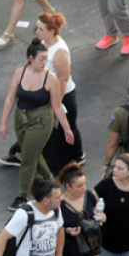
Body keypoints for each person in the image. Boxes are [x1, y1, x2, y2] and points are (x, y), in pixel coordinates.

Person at [0, 41, 74, 210]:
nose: (44, 62)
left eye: (46, 59)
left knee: (27, 159)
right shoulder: (20, 72)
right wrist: (3, 122)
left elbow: (56, 106)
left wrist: (66, 128)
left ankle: (22, 196)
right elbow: (10, 98)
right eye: (41, 59)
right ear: (31, 58)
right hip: (21, 118)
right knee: (32, 152)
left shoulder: (50, 77)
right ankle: (51, 181)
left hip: (41, 121)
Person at [35, 13, 84, 172]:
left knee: (67, 126)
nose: (37, 31)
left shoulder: (59, 51)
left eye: (41, 29)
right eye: (37, 28)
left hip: (64, 95)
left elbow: (64, 79)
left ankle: (76, 155)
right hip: (48, 93)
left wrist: (58, 102)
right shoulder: (43, 42)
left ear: (51, 31)